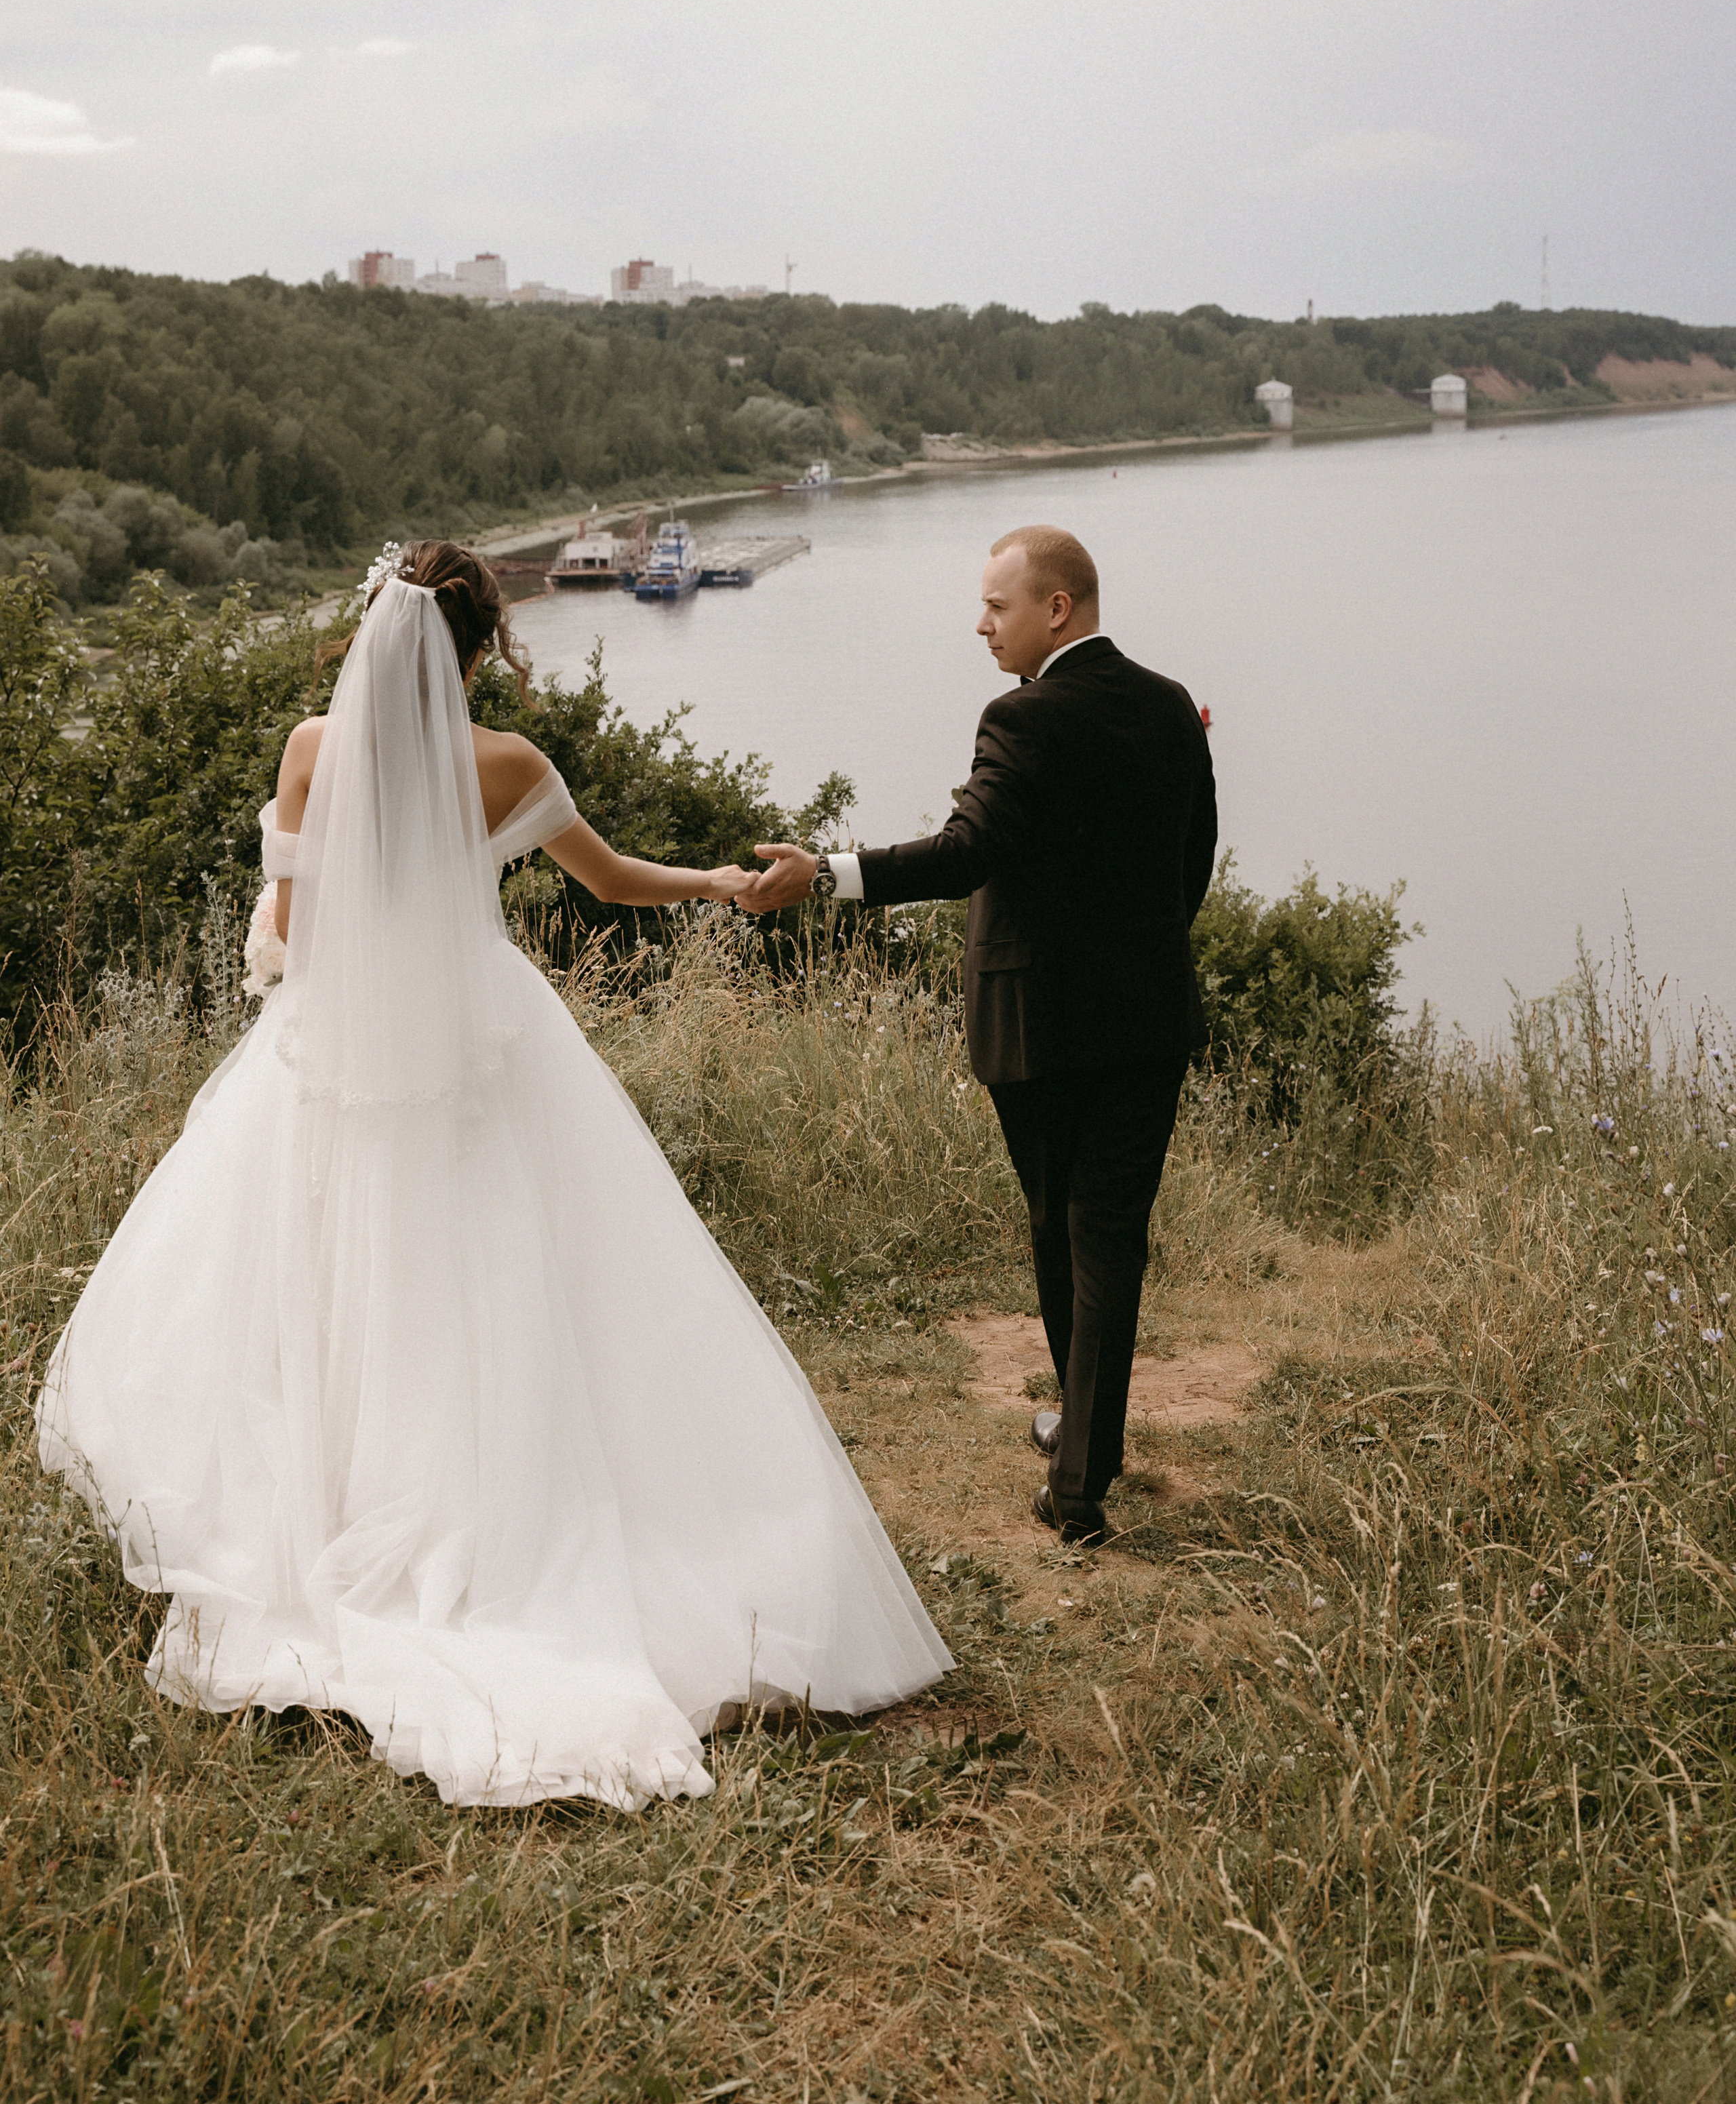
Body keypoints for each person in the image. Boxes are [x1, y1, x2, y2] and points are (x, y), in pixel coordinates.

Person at [37, 540, 951, 1810]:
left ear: (373, 633)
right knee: (496, 1285)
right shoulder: (507, 767)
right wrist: (729, 884)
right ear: (478, 650)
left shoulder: (312, 751)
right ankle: (503, 1527)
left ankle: (334, 1519)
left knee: (324, 1291)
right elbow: (615, 880)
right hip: (470, 1056)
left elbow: (293, 928)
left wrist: (279, 965)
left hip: (330, 1058)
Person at [739, 524, 1217, 1547]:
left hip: (1039, 1024)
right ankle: (1089, 1449)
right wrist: (1136, 959)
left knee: (1058, 1228)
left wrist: (826, 870)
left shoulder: (1022, 717)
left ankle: (1080, 1480)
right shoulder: (1174, 707)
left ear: (1057, 608)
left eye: (996, 606)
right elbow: (1193, 864)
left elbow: (967, 855)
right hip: (1147, 1019)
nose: (980, 623)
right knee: (1110, 1238)